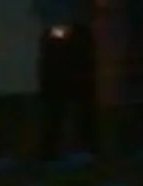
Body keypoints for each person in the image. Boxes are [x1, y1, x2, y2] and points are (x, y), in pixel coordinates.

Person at [34, 0, 100, 159]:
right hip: (67, 34)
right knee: (63, 95)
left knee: (74, 95)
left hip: (69, 34)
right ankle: (64, 147)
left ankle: (62, 147)